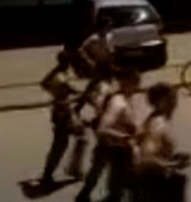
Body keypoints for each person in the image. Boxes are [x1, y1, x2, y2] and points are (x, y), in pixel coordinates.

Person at [76, 68, 141, 202]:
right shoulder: (118, 102)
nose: (138, 86)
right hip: (114, 148)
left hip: (114, 148)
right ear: (125, 82)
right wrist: (124, 137)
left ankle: (84, 196)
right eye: (135, 82)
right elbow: (103, 128)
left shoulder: (124, 99)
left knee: (100, 175)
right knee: (112, 183)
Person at [132, 83, 189, 202]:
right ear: (161, 102)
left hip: (152, 185)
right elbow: (146, 158)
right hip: (154, 188)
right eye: (172, 100)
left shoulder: (153, 121)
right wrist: (172, 164)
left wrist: (172, 158)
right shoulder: (158, 125)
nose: (175, 105)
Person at [39, 51, 82, 186]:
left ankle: (67, 169)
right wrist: (78, 97)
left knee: (77, 138)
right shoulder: (62, 78)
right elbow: (66, 94)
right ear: (68, 63)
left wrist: (55, 91)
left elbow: (44, 84)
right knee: (61, 145)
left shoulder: (57, 74)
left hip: (59, 113)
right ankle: (51, 173)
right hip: (63, 114)